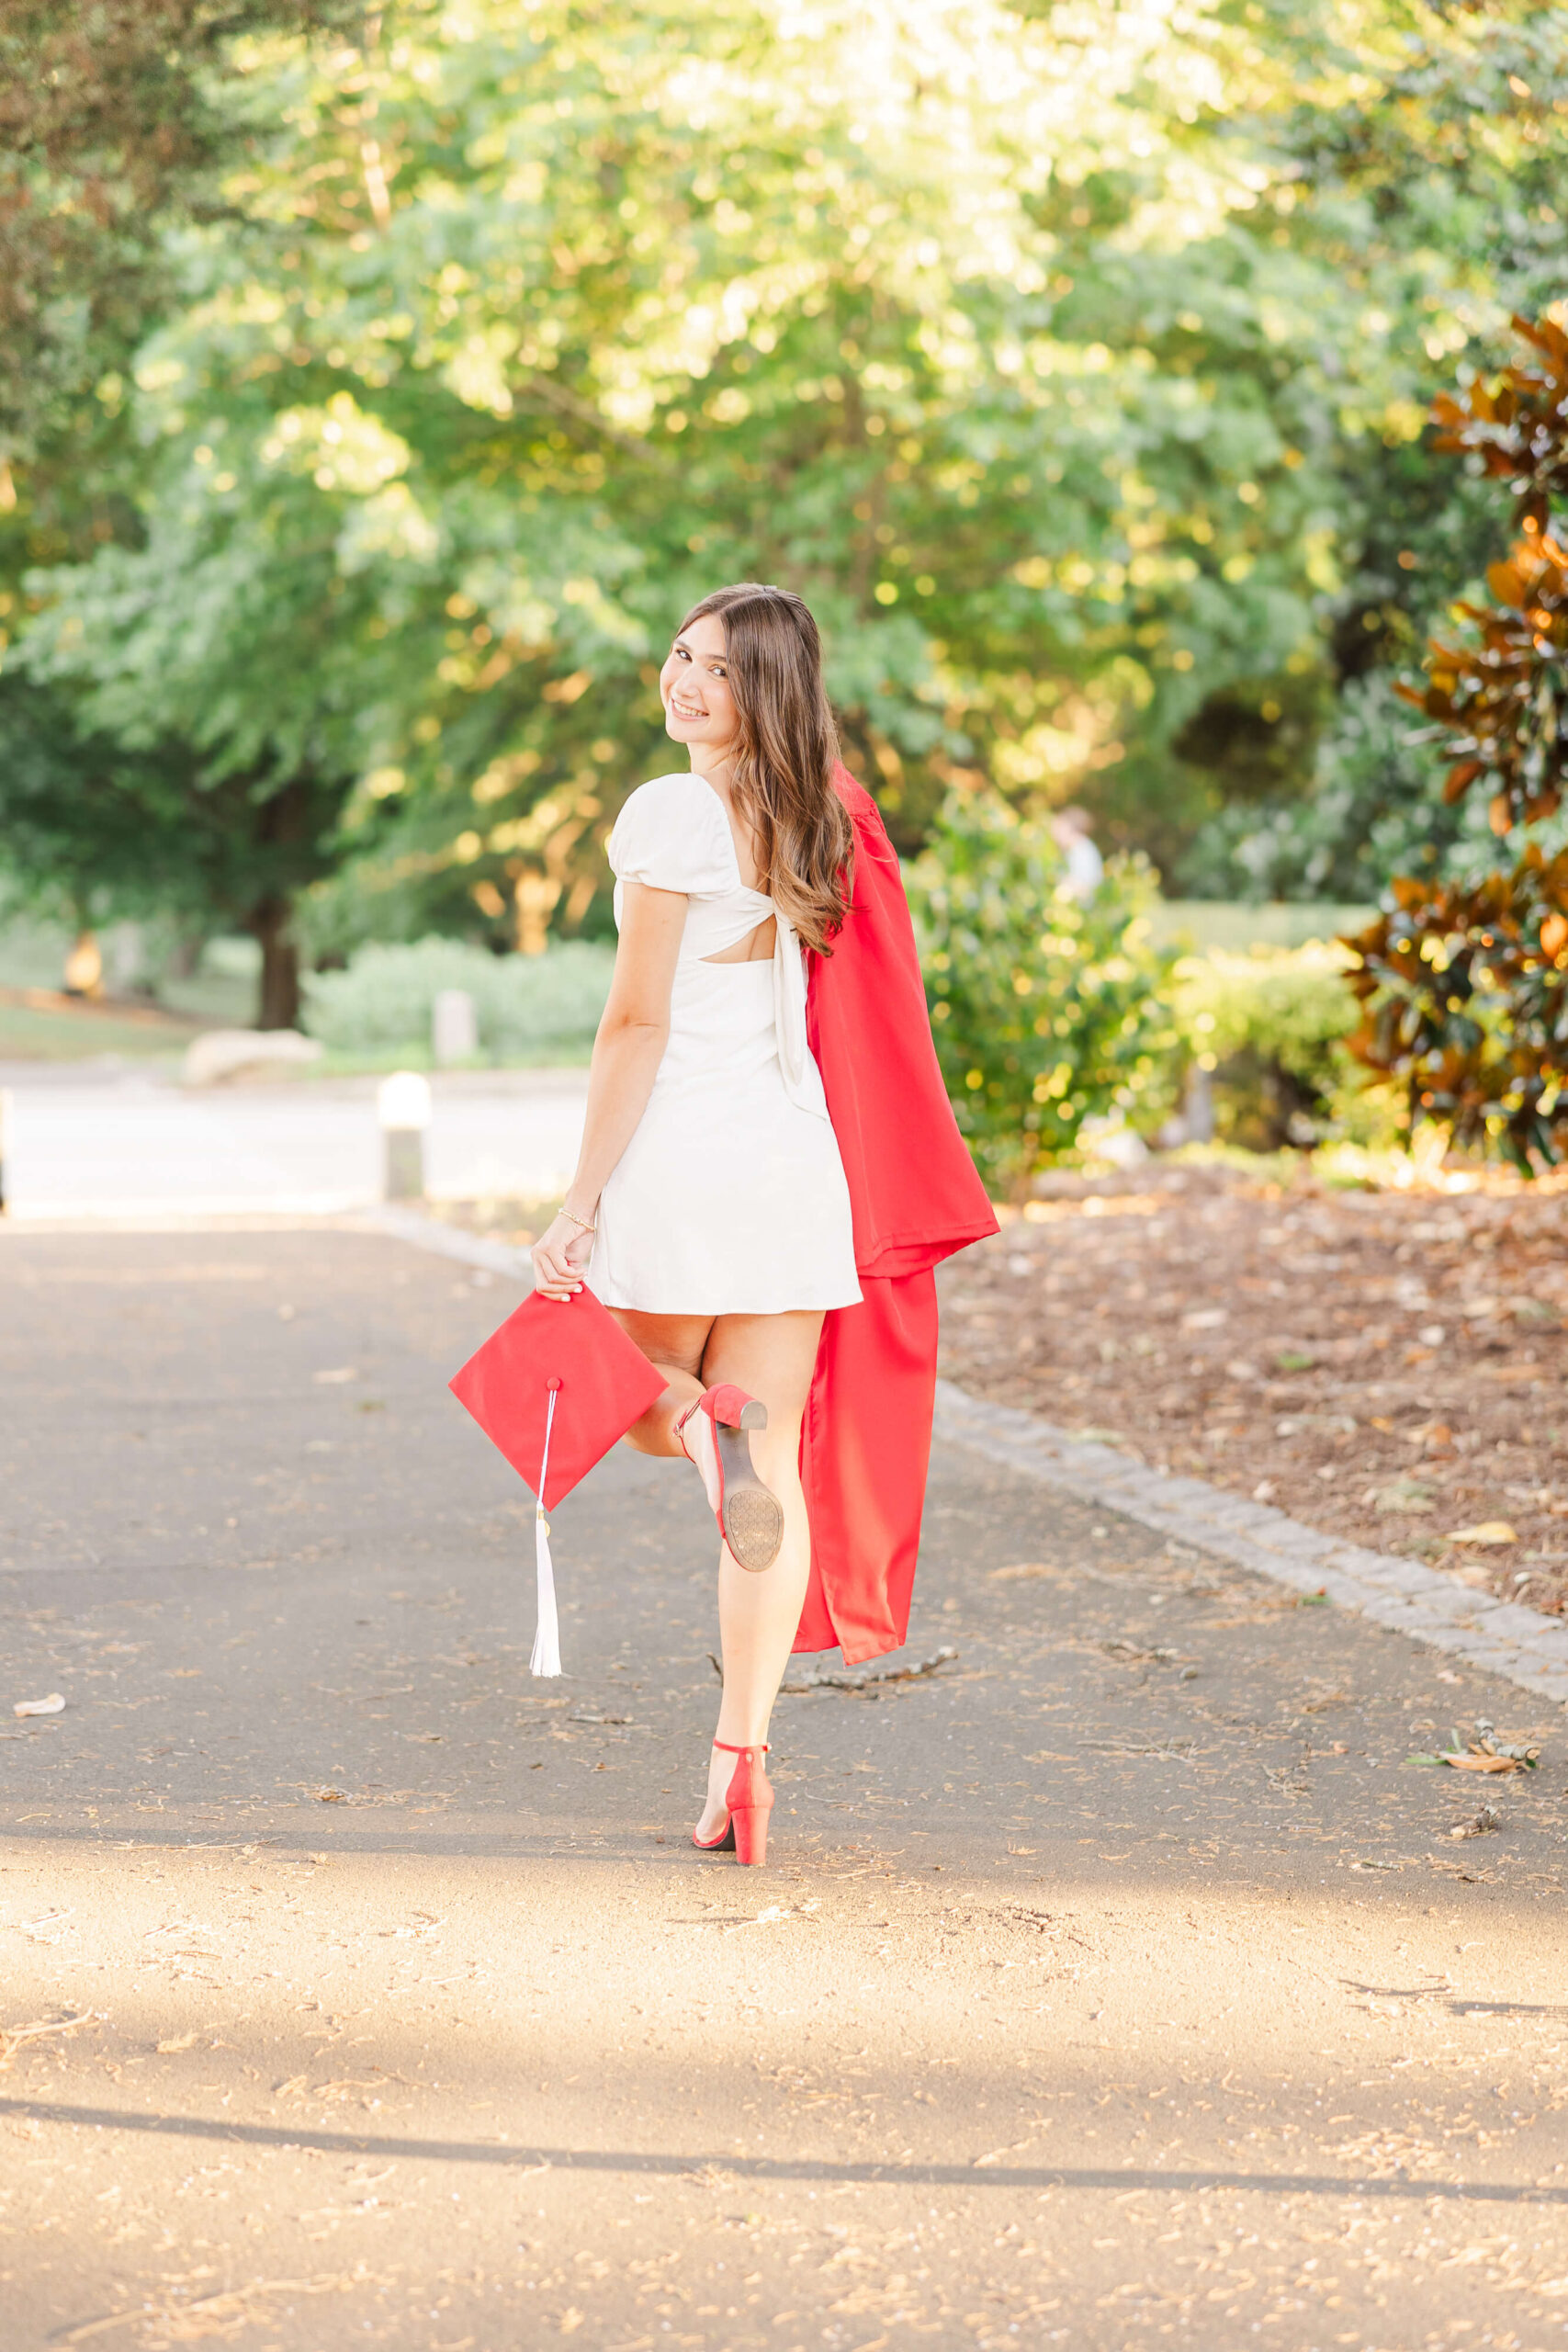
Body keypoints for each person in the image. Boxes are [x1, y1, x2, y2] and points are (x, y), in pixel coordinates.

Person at [530, 584, 994, 1864]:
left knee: (632, 1402)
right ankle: (741, 1761)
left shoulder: (668, 814)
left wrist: (577, 1207)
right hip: (796, 1177)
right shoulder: (822, 817)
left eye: (717, 673)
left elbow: (634, 1026)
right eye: (679, 657)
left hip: (681, 1166)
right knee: (774, 1475)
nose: (683, 682)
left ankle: (697, 1427)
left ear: (758, 697)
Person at [1049, 804, 1104, 901]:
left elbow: (1084, 887)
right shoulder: (1074, 850)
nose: (1054, 834)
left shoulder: (1083, 851)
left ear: (1068, 827)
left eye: (1059, 827)